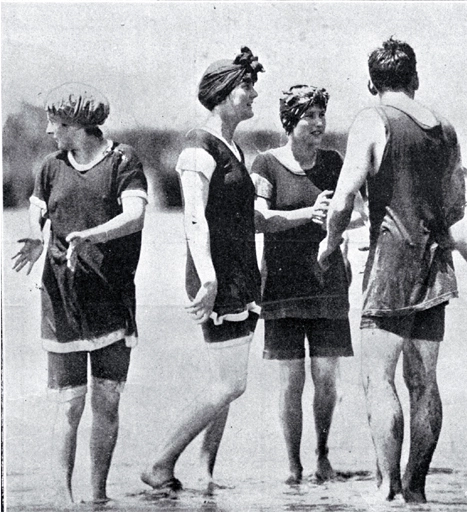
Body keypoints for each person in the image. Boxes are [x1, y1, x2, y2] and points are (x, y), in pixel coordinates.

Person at [318, 38, 466, 503]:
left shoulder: (372, 119)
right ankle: (418, 491)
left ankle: (387, 487)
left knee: (377, 379)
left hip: (389, 266)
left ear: (371, 82)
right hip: (435, 265)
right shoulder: (445, 128)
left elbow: (342, 199)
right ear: (415, 78)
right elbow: (457, 204)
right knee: (424, 383)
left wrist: (330, 242)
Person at [12, 83, 148, 504]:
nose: (50, 130)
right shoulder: (50, 166)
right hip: (62, 299)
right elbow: (38, 211)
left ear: (77, 125)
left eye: (56, 122)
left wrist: (90, 235)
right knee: (69, 406)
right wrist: (37, 237)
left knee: (107, 402)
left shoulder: (124, 160)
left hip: (111, 298)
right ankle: (64, 500)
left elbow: (136, 215)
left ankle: (98, 497)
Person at [141, 47, 263, 492]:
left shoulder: (234, 147)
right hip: (217, 276)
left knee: (223, 380)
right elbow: (193, 218)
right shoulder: (198, 146)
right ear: (227, 94)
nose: (254, 95)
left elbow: (242, 216)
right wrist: (208, 278)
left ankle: (203, 472)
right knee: (231, 383)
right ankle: (159, 462)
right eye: (248, 87)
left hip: (240, 275)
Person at [251, 85, 356, 485]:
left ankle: (322, 455)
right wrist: (309, 214)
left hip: (328, 283)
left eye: (321, 115)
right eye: (308, 116)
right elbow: (259, 218)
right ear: (289, 121)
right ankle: (293, 464)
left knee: (327, 380)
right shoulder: (265, 164)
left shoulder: (334, 162)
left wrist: (337, 224)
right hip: (281, 287)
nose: (318, 124)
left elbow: (356, 213)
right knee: (291, 383)